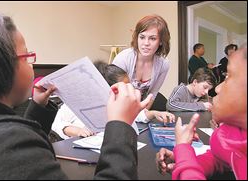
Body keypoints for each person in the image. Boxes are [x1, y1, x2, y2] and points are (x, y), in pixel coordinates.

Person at [0, 2, 152, 179]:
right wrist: (120, 125)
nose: (32, 62)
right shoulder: (4, 148)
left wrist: (38, 107)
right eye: (27, 55)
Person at [156, 43, 247, 180]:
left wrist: (183, 151)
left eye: (229, 78)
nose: (217, 90)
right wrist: (185, 161)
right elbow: (221, 160)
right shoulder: (234, 136)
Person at [52, 61, 175, 139]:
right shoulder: (78, 101)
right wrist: (77, 131)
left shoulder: (118, 103)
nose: (129, 89)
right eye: (124, 86)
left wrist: (154, 113)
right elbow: (57, 124)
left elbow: (137, 115)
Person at [112, 14, 171, 110]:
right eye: (142, 37)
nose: (146, 43)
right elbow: (114, 94)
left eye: (152, 38)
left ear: (161, 41)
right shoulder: (123, 59)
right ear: (137, 37)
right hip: (119, 108)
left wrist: (144, 116)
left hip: (140, 108)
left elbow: (152, 94)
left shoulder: (164, 64)